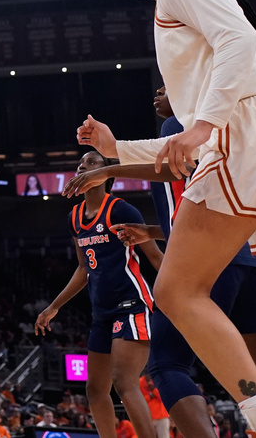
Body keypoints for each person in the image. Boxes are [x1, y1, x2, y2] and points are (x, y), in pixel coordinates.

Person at [76, 0, 256, 438]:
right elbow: (191, 145)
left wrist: (203, 123)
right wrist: (116, 150)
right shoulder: (190, 3)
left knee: (178, 291)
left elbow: (238, 42)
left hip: (249, 131)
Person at [66, 87, 256, 438]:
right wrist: (151, 230)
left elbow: (176, 169)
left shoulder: (181, 125)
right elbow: (199, 198)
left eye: (166, 86)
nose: (158, 91)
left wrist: (110, 169)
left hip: (208, 262)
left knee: (167, 364)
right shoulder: (219, 124)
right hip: (245, 256)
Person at [36, 151, 162, 438]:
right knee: (95, 389)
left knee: (125, 382)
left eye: (91, 163)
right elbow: (83, 269)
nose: (83, 166)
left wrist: (181, 292)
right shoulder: (74, 217)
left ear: (107, 175)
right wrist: (53, 307)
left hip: (132, 304)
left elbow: (154, 256)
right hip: (101, 312)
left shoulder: (122, 210)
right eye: (80, 163)